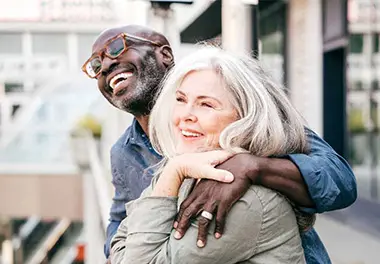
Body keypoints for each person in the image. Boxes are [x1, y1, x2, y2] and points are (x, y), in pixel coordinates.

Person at [82, 25, 357, 264]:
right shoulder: (124, 152)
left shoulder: (257, 125)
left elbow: (340, 180)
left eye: (117, 47)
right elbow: (120, 224)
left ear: (164, 54)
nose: (105, 66)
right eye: (96, 65)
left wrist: (252, 167)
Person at [110, 45, 314, 263]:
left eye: (206, 104)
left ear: (244, 116)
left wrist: (172, 172)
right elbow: (118, 243)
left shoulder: (249, 200)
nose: (185, 115)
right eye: (180, 99)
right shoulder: (186, 168)